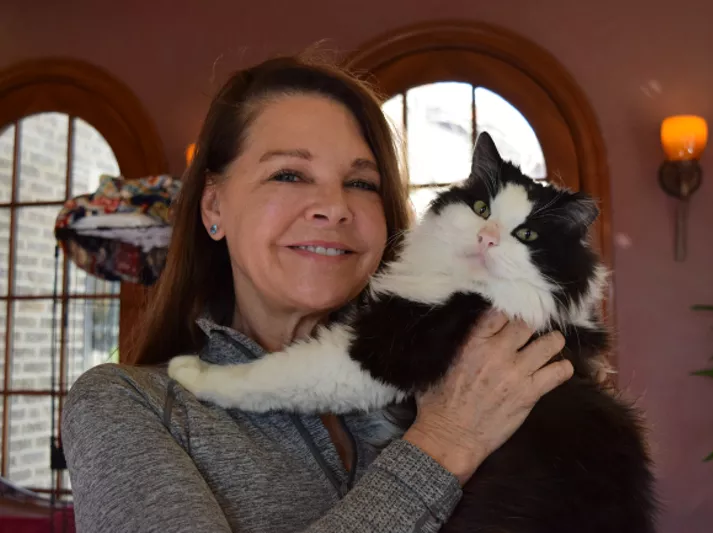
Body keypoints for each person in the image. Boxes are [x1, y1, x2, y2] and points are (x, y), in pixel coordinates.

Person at [61, 53, 573, 533]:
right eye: (289, 174)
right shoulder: (128, 406)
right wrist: (443, 445)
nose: (335, 207)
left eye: (362, 183)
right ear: (214, 206)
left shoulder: (469, 374)